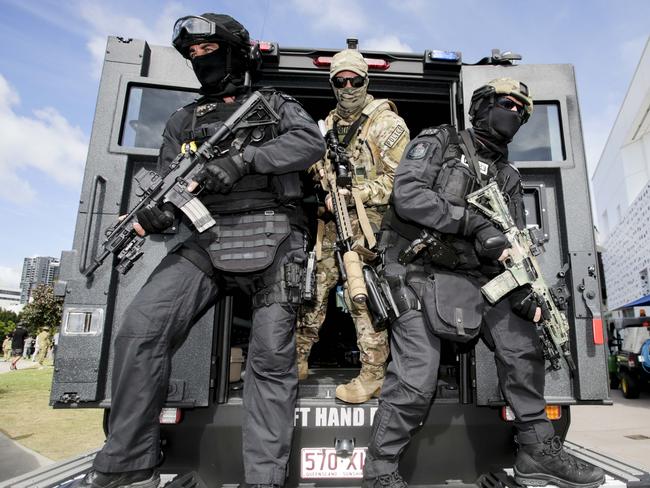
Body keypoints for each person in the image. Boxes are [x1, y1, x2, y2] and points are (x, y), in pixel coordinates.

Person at [71, 13, 324, 488]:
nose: (199, 60)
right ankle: (127, 464)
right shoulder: (183, 119)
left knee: (269, 359)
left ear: (236, 52)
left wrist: (242, 160)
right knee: (140, 329)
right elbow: (171, 187)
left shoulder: (272, 103)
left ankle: (264, 479)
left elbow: (310, 143)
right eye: (193, 55)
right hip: (206, 240)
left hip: (275, 234)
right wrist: (160, 215)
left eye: (209, 51)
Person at [362, 79, 605, 488]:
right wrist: (471, 222)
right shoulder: (440, 142)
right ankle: (380, 470)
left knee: (522, 345)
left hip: (476, 277)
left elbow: (503, 244)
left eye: (522, 111)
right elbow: (407, 196)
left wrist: (521, 290)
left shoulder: (508, 177)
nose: (516, 114)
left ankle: (536, 450)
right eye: (507, 104)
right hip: (416, 269)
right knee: (417, 378)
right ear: (482, 106)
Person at [296, 47, 409, 404]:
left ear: (366, 81)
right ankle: (296, 359)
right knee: (311, 290)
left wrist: (353, 193)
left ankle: (373, 375)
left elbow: (399, 183)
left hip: (368, 227)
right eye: (340, 81)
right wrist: (320, 177)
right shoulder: (327, 125)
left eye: (354, 81)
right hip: (328, 225)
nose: (347, 87)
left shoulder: (386, 123)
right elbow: (315, 167)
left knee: (363, 298)